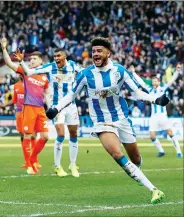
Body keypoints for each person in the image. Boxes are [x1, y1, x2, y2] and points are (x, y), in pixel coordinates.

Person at [46, 37, 169, 204]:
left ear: (108, 53)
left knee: (136, 158)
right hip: (101, 121)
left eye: (99, 51)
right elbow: (71, 95)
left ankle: (136, 171)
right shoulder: (86, 74)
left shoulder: (119, 71)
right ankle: (154, 190)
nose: (95, 54)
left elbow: (136, 92)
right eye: (94, 51)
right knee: (116, 153)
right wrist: (56, 108)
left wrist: (155, 99)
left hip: (121, 118)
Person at [18, 48, 83, 177]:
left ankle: (73, 164)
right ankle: (58, 166)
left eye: (59, 56)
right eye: (55, 56)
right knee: (60, 134)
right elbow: (29, 72)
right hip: (57, 106)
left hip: (71, 105)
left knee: (74, 133)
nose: (56, 58)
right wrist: (21, 62)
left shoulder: (73, 66)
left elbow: (84, 75)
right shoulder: (49, 67)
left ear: (65, 56)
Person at [1, 37, 50, 174]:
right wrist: (4, 48)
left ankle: (33, 158)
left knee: (45, 137)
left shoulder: (45, 77)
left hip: (40, 109)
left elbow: (46, 94)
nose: (31, 61)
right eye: (30, 59)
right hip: (28, 108)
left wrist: (51, 107)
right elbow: (9, 63)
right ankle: (29, 164)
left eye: (34, 59)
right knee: (27, 136)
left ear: (41, 61)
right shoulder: (26, 72)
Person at [131, 63, 183, 158]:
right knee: (152, 136)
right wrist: (133, 73)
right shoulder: (149, 89)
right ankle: (161, 151)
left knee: (170, 133)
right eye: (153, 81)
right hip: (153, 116)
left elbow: (171, 81)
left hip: (163, 115)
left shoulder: (163, 89)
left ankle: (179, 152)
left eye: (155, 81)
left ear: (159, 82)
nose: (154, 83)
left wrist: (177, 71)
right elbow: (141, 83)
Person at [0, 76, 42, 169]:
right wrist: (4, 104)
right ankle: (27, 162)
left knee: (33, 136)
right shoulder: (16, 86)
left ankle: (35, 161)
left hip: (30, 112)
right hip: (19, 113)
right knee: (23, 137)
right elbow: (14, 100)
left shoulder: (32, 84)